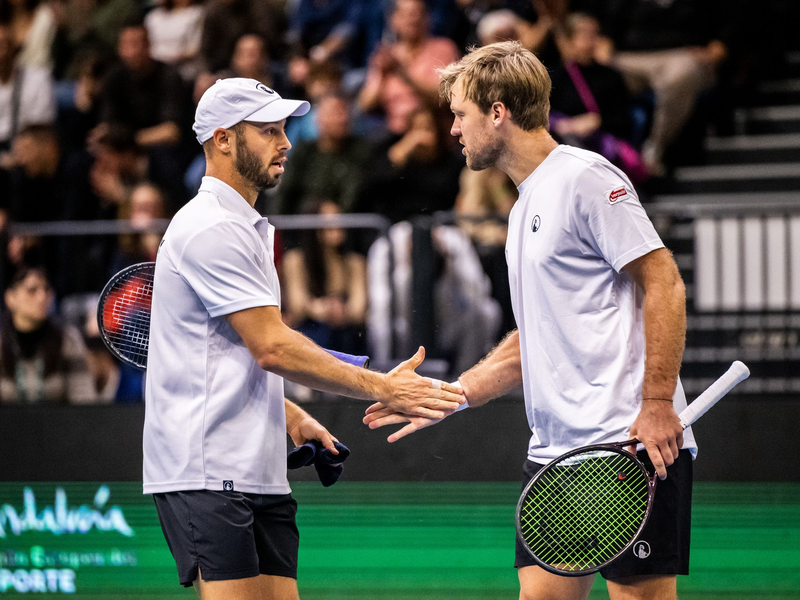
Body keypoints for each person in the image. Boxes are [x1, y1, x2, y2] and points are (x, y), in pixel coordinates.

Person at [364, 41, 694, 600]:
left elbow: (664, 282)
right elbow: (535, 339)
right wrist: (450, 395)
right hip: (554, 453)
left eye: (460, 114)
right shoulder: (521, 207)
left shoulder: (586, 178)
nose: (453, 129)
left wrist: (659, 403)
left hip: (627, 445)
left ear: (498, 112)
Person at [145, 77, 464, 599]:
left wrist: (289, 414)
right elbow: (271, 346)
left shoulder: (243, 225)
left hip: (257, 468)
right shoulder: (208, 228)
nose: (286, 143)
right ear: (223, 139)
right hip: (206, 470)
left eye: (284, 130)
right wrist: (383, 386)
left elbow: (233, 351)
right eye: (269, 130)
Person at [0, 266, 95, 404]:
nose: (42, 297)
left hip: (60, 418)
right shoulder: (2, 343)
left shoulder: (68, 340)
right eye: (32, 290)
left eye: (46, 290)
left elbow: (84, 400)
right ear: (10, 298)